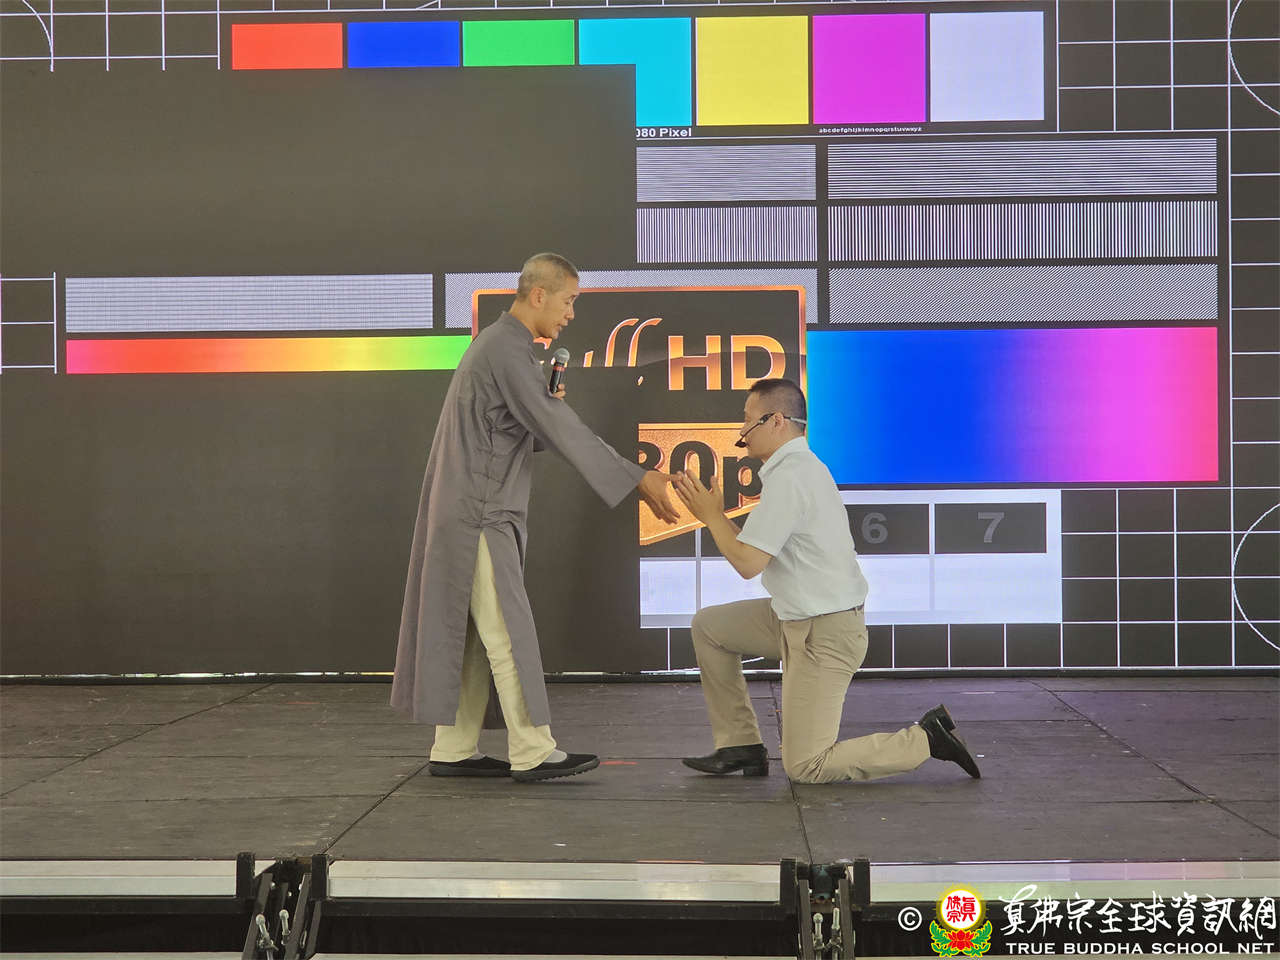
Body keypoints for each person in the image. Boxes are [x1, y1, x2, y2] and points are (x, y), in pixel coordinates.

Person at [391, 252, 679, 782]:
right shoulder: (505, 348)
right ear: (539, 294)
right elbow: (560, 428)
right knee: (506, 630)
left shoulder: (505, 348)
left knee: (474, 634)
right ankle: (532, 749)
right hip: (480, 513)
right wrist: (639, 477)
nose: (571, 314)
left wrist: (540, 414)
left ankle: (453, 747)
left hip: (476, 507)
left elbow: (517, 431)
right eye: (569, 301)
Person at [671, 378, 981, 784]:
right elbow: (752, 552)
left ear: (776, 420)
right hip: (794, 619)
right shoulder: (793, 471)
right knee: (709, 627)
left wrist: (711, 515)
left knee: (806, 766)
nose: (742, 431)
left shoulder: (792, 478)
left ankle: (927, 739)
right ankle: (740, 744)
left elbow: (747, 563)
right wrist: (714, 516)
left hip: (825, 634)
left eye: (747, 420)